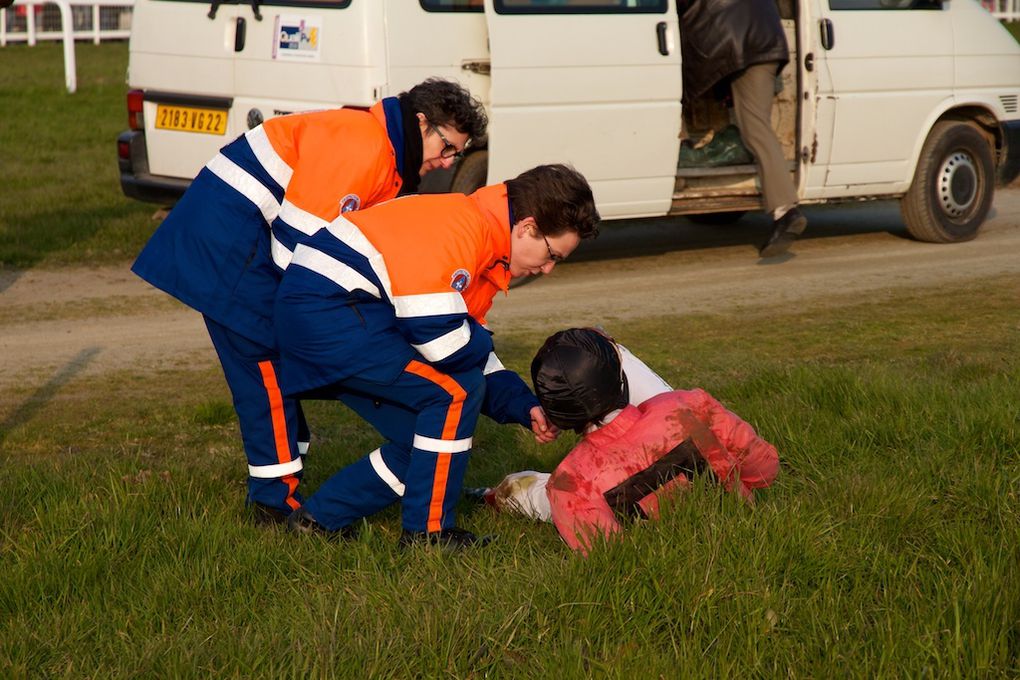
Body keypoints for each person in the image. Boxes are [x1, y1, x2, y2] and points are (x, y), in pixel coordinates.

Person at [131, 79, 488, 525]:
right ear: (421, 123)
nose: (447, 161)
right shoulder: (367, 146)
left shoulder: (380, 147)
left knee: (275, 370)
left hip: (237, 238)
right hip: (231, 246)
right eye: (448, 146)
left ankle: (280, 494)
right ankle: (271, 505)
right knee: (264, 367)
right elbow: (296, 250)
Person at [274, 165, 600, 550]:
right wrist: (476, 342)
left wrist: (524, 407)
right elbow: (442, 342)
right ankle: (427, 534)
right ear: (527, 227)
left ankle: (318, 520)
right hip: (328, 312)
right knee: (453, 394)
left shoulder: (484, 242)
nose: (547, 269)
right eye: (552, 255)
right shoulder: (465, 228)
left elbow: (468, 346)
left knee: (426, 438)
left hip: (332, 312)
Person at [471, 328, 779, 555]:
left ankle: (491, 496)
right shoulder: (688, 405)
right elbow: (764, 468)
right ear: (621, 377)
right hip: (738, 524)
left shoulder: (570, 481)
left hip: (592, 492)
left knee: (522, 488)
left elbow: (607, 555)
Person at [677, 0, 807, 258]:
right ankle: (785, 208)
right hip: (768, 42)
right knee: (759, 126)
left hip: (733, 44)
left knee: (753, 129)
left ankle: (785, 210)